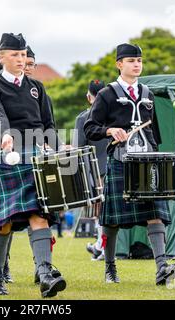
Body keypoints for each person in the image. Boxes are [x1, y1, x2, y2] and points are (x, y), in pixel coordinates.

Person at [84, 43, 175, 285]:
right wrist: (109, 130)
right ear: (119, 64)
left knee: (155, 213)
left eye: (139, 60)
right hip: (120, 161)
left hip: (147, 164)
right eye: (131, 60)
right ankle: (110, 268)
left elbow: (155, 134)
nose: (136, 64)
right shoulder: (107, 94)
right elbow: (90, 128)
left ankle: (162, 268)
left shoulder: (148, 94)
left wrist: (155, 156)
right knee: (111, 221)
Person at [0, 33, 66, 298]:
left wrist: (53, 145)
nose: (20, 59)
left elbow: (48, 122)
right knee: (3, 223)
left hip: (36, 160)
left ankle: (46, 275)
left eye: (23, 54)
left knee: (40, 216)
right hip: (8, 160)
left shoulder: (36, 86)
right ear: (1, 56)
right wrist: (4, 134)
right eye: (14, 54)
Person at [72, 79, 107, 261]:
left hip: (95, 171)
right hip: (116, 168)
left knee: (98, 213)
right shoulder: (116, 115)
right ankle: (100, 246)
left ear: (89, 97)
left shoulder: (83, 118)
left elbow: (79, 149)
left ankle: (101, 247)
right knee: (108, 213)